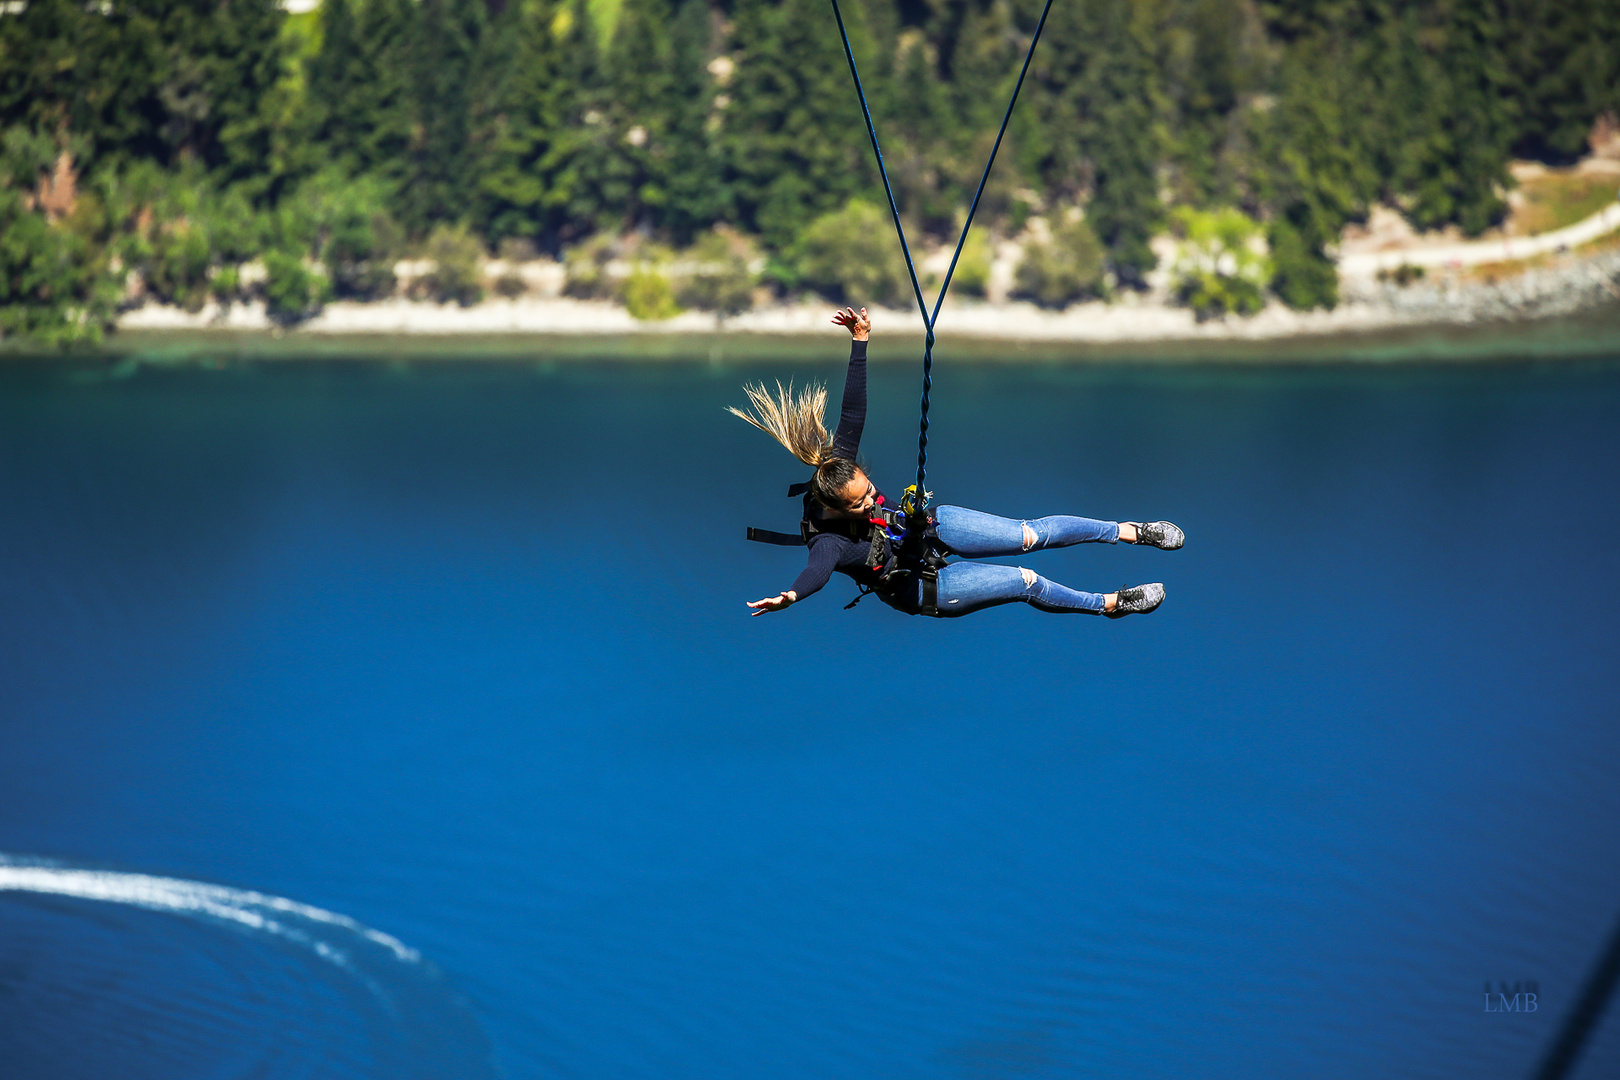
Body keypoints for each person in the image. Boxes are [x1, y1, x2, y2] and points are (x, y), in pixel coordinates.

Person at [731, 306, 1182, 619]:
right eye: (862, 504)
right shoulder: (827, 542)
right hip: (921, 584)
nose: (872, 501)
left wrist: (861, 342)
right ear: (835, 509)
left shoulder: (838, 470)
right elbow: (815, 574)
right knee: (1026, 581)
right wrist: (791, 595)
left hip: (924, 528)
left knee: (1030, 534)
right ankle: (1110, 604)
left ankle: (1131, 531)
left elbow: (852, 414)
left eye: (870, 491)